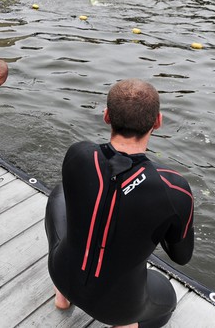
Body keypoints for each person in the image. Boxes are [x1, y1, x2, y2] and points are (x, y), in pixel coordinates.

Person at [45, 78, 194, 328]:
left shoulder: (78, 153)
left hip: (61, 273)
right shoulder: (174, 188)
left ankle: (63, 296)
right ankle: (127, 325)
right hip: (119, 309)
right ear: (158, 122)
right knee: (166, 296)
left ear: (106, 116)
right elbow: (181, 256)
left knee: (59, 195)